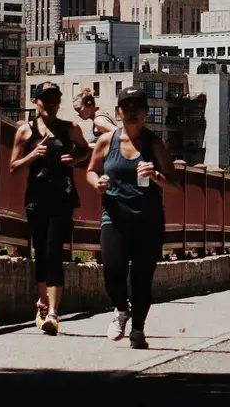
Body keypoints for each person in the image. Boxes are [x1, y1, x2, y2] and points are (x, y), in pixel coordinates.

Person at [86, 90, 169, 349]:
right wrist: (97, 182)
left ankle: (138, 330)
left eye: (137, 107)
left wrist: (155, 174)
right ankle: (122, 309)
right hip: (114, 216)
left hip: (148, 220)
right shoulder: (106, 141)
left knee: (142, 278)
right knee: (112, 271)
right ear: (119, 112)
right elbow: (91, 170)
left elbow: (176, 184)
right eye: (126, 107)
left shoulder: (154, 144)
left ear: (145, 112)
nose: (132, 112)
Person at [10, 82, 86, 335]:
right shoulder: (26, 131)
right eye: (46, 99)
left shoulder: (70, 128)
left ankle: (53, 311)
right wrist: (33, 155)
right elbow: (13, 166)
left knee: (55, 251)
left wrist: (75, 158)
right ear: (36, 102)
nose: (51, 104)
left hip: (62, 197)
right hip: (36, 197)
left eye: (55, 99)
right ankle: (42, 306)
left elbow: (86, 150)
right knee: (40, 251)